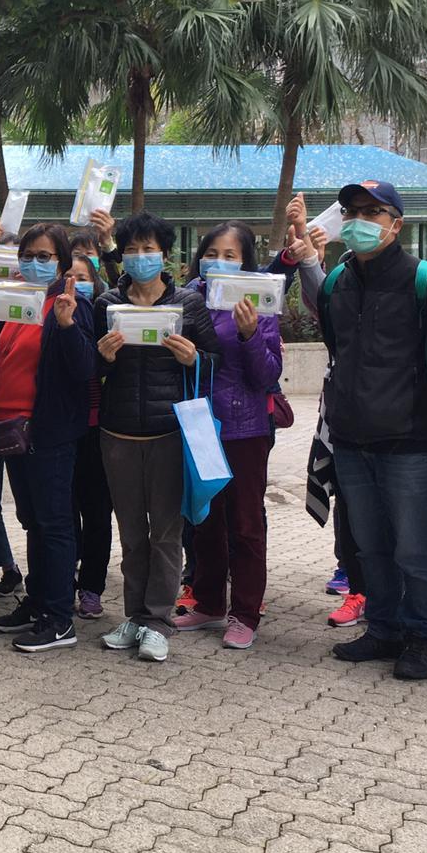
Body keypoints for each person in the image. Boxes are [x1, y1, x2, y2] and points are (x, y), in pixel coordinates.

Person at [319, 180, 427, 682]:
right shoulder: (336, 282)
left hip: (410, 441)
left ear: (396, 224)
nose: (361, 220)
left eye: (374, 212)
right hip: (351, 441)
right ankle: (383, 628)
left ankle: (422, 636)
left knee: (415, 546)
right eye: (353, 211)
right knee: (370, 544)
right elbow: (335, 352)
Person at [92, 213, 219, 662]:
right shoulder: (107, 302)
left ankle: (159, 621)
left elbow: (214, 364)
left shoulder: (188, 304)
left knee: (166, 532)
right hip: (118, 433)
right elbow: (92, 370)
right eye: (132, 249)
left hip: (169, 432)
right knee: (130, 534)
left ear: (165, 255)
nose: (141, 257)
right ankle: (133, 617)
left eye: (149, 249)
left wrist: (193, 358)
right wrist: (103, 359)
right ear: (122, 255)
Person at [0, 223, 95, 654]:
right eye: (28, 254)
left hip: (47, 431)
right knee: (33, 521)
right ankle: (39, 600)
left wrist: (66, 326)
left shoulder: (70, 305)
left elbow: (86, 370)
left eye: (45, 256)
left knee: (54, 523)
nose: (34, 262)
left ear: (62, 263)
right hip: (10, 429)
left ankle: (60, 618)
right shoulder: (15, 302)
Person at [173, 222, 283, 651]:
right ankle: (209, 601)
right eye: (212, 253)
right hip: (201, 424)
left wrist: (251, 334)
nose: (219, 262)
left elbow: (268, 375)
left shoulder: (260, 302)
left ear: (246, 262)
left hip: (245, 428)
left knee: (245, 524)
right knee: (205, 519)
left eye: (230, 255)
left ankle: (246, 612)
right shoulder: (189, 298)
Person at [65, 251, 111, 621]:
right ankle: (64, 580)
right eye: (68, 274)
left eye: (82, 277)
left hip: (101, 428)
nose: (74, 282)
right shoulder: (53, 315)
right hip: (63, 427)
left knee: (97, 513)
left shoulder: (104, 314)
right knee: (63, 512)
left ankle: (92, 588)